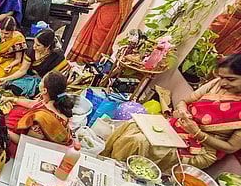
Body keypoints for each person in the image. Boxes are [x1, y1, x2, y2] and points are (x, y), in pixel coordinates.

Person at [102, 54, 241, 171]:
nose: (223, 83)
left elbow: (230, 147)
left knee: (139, 141)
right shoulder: (216, 84)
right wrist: (182, 111)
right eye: (221, 77)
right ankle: (104, 163)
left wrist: (198, 134)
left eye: (230, 79)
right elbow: (184, 102)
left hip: (201, 149)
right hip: (178, 127)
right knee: (132, 124)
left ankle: (116, 171)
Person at [5, 71, 73, 156]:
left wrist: (5, 131)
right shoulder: (50, 98)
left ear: (44, 90)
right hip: (36, 132)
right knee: (16, 110)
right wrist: (12, 99)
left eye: (41, 81)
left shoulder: (41, 120)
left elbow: (26, 143)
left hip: (35, 146)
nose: (39, 81)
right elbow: (32, 104)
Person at [0, 28, 68, 97]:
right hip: (29, 77)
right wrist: (5, 79)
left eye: (38, 45)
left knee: (19, 89)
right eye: (34, 43)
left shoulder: (57, 56)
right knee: (11, 83)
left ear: (47, 46)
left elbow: (54, 78)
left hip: (46, 82)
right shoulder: (31, 51)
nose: (34, 47)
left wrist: (44, 90)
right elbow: (22, 70)